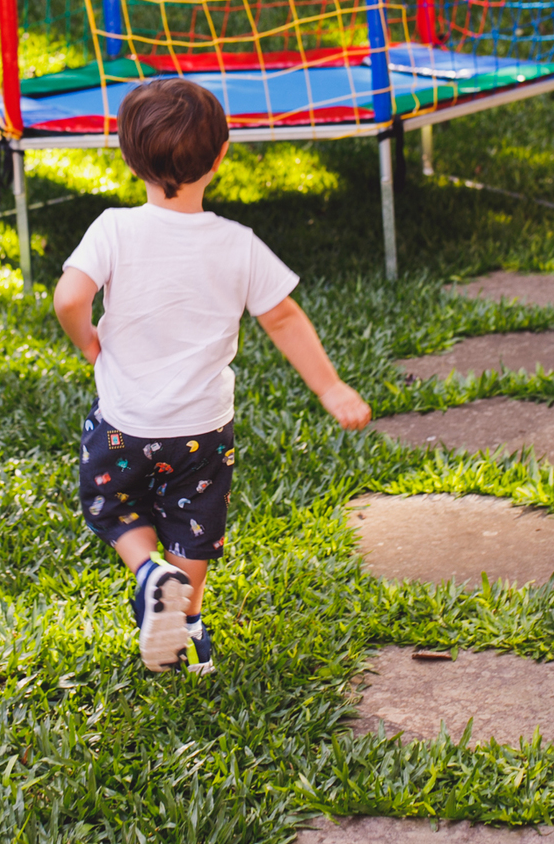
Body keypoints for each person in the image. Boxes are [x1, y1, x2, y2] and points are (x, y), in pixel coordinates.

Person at [53, 75, 372, 677]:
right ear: (222, 156)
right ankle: (186, 623)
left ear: (127, 157)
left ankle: (150, 576)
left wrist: (89, 342)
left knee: (112, 504)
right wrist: (331, 387)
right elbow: (282, 317)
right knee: (193, 527)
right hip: (203, 431)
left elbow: (70, 298)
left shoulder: (113, 228)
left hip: (124, 423)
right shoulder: (238, 243)